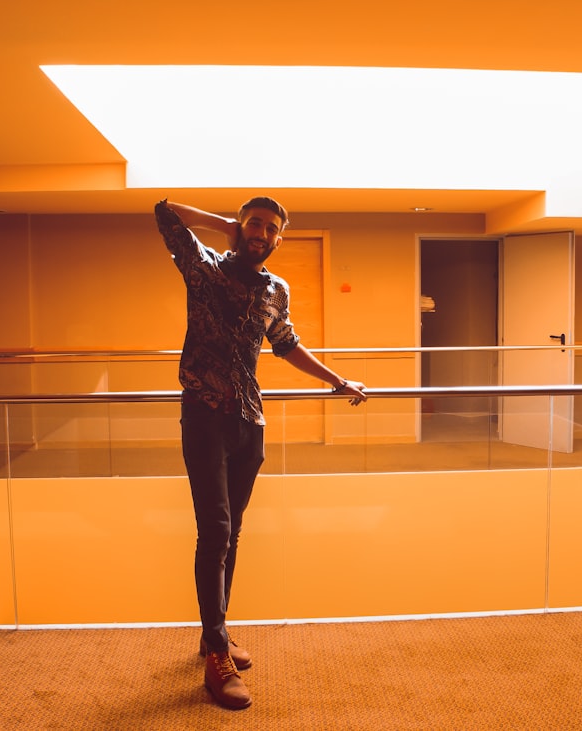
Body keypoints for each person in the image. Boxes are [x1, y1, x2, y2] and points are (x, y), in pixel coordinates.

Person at [155, 197, 367, 710]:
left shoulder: (277, 289)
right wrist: (223, 224)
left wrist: (336, 380)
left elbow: (285, 343)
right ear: (240, 227)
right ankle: (216, 660)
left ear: (278, 238)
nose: (261, 232)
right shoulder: (202, 266)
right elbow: (164, 213)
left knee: (234, 532)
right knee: (217, 532)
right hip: (203, 414)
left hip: (249, 422)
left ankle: (215, 634)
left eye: (271, 228)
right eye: (253, 223)